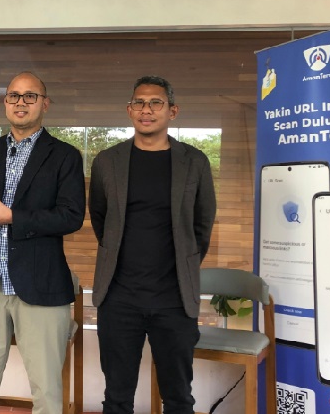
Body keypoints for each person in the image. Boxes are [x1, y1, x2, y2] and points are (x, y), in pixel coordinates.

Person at [0, 71, 86, 414]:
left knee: (46, 388)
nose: (21, 102)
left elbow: (70, 217)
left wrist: (13, 217)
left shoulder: (65, 156)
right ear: (5, 102)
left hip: (40, 283)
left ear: (45, 104)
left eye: (30, 96)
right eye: (14, 95)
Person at [88, 75, 217, 414]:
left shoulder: (195, 162)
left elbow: (202, 226)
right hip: (118, 298)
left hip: (174, 299)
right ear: (129, 110)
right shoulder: (107, 161)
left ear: (172, 111)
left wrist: (183, 264)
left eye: (156, 103)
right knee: (117, 397)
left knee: (178, 397)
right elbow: (101, 220)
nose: (147, 110)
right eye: (140, 103)